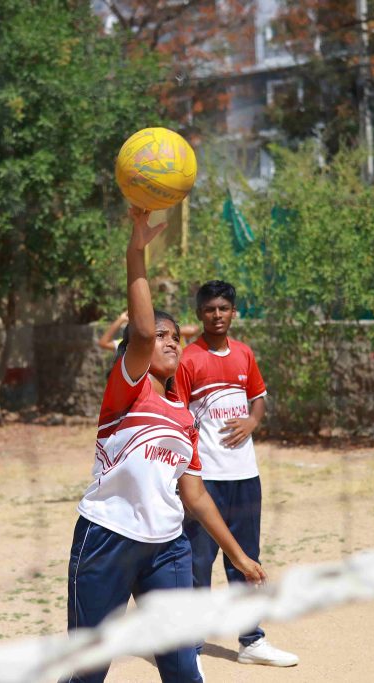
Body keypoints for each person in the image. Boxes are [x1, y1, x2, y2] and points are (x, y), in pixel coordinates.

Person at [67, 207, 266, 683]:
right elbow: (136, 330)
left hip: (168, 549)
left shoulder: (183, 416)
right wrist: (136, 250)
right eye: (161, 336)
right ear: (136, 352)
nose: (170, 341)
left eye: (176, 336)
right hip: (107, 540)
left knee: (183, 669)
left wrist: (237, 555)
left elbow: (194, 495)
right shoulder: (126, 391)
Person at [175, 280, 299, 668]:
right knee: (198, 562)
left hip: (245, 476)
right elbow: (176, 417)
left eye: (224, 308)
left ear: (233, 312)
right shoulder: (188, 360)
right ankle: (189, 648)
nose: (217, 315)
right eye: (210, 309)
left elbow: (258, 398)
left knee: (247, 559)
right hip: (204, 479)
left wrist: (253, 422)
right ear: (199, 313)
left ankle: (251, 641)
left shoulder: (244, 354)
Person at [98, 311, 199, 352]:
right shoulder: (133, 344)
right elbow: (104, 343)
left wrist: (166, 331)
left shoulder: (170, 337)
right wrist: (121, 319)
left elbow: (194, 329)